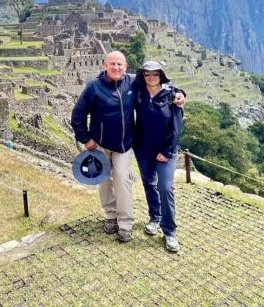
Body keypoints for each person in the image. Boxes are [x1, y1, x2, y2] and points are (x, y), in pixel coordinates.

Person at [71, 51, 184, 243]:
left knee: (123, 182)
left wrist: (181, 93)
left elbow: (160, 83)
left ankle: (125, 224)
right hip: (100, 144)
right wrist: (86, 139)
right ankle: (111, 217)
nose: (116, 68)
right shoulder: (94, 87)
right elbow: (78, 114)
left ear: (126, 67)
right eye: (112, 64)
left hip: (124, 145)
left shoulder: (133, 82)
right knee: (105, 182)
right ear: (105, 64)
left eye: (120, 65)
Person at [134, 60, 184, 252]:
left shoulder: (171, 95)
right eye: (147, 74)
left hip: (166, 151)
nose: (151, 77)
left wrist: (167, 151)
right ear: (143, 76)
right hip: (144, 149)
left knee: (165, 187)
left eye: (155, 74)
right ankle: (155, 217)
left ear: (161, 75)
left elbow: (177, 127)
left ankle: (170, 231)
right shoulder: (139, 93)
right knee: (149, 184)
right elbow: (120, 78)